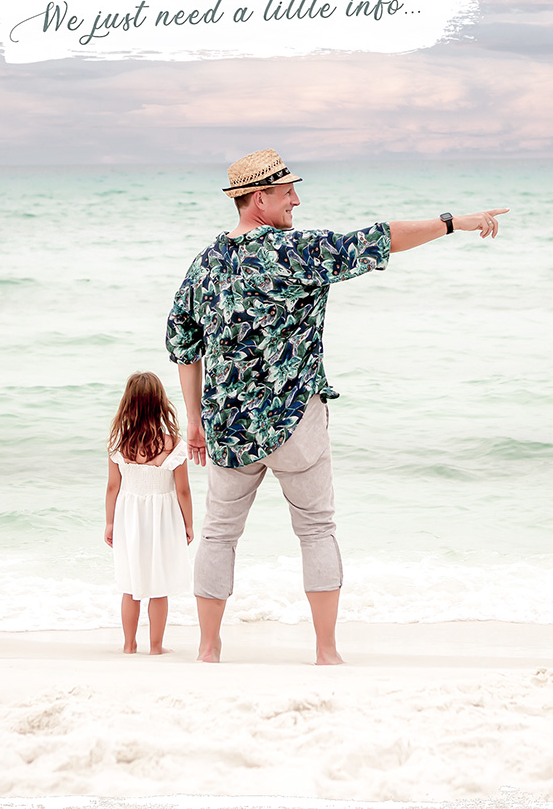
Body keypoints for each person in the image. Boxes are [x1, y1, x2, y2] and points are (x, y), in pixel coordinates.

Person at [166, 148, 508, 665]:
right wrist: (452, 223)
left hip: (228, 427)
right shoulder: (295, 251)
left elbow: (182, 344)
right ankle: (326, 652)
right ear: (259, 198)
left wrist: (194, 421)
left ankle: (209, 650)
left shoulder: (205, 264)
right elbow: (379, 239)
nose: (296, 201)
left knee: (218, 534)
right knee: (316, 529)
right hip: (295, 419)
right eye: (287, 193)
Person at [104, 371, 194, 654]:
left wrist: (109, 524)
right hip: (162, 520)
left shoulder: (119, 445)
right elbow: (183, 491)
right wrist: (188, 524)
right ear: (160, 404)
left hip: (128, 518)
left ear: (128, 405)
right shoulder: (173, 445)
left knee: (130, 585)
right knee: (159, 584)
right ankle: (156, 647)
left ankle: (129, 645)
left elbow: (112, 488)